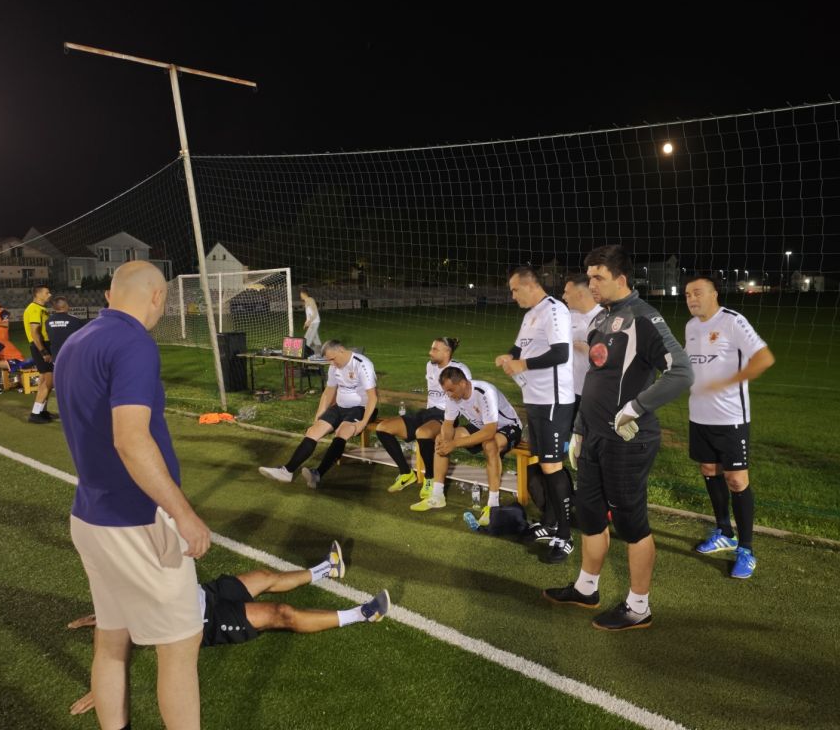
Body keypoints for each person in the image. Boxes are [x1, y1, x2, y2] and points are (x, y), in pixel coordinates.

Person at [55, 260, 212, 730]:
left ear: (110, 294)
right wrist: (183, 513)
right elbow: (130, 439)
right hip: (138, 520)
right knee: (179, 645)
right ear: (158, 297)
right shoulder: (133, 342)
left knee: (111, 638)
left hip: (90, 515)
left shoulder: (75, 341)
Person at [544, 245, 692, 631]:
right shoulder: (602, 319)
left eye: (599, 278)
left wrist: (636, 407)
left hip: (627, 441)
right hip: (593, 438)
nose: (591, 284)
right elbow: (595, 378)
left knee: (630, 525)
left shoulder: (643, 318)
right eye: (589, 276)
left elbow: (682, 371)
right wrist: (579, 429)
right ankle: (586, 588)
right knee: (590, 516)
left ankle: (639, 606)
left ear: (621, 279)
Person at [66, 542, 391, 716]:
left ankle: (326, 569)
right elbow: (113, 639)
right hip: (200, 622)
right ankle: (363, 614)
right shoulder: (117, 568)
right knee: (281, 613)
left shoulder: (141, 538)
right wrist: (104, 688)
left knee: (264, 576)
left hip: (203, 593)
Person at [684, 275, 775, 580]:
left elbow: (764, 358)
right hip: (699, 416)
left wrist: (728, 382)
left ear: (714, 294)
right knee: (709, 470)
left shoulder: (733, 321)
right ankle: (725, 532)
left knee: (736, 480)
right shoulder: (691, 327)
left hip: (731, 418)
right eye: (687, 294)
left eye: (697, 293)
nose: (691, 299)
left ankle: (746, 550)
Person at [495, 266, 577, 563]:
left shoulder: (555, 310)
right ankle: (551, 522)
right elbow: (518, 349)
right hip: (534, 399)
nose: (513, 295)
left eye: (515, 289)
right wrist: (509, 356)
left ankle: (565, 536)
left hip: (554, 400)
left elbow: (561, 353)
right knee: (545, 464)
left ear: (531, 286)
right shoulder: (530, 315)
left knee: (553, 466)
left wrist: (523, 365)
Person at [259, 340, 378, 488]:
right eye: (329, 361)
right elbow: (328, 392)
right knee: (313, 431)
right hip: (340, 407)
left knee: (342, 432)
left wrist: (363, 422)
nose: (332, 363)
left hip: (361, 408)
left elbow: (373, 397)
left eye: (333, 359)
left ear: (341, 350)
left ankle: (318, 474)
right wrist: (318, 416)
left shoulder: (362, 364)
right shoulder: (333, 366)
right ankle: (287, 471)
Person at [411, 367, 522, 519]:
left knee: (490, 446)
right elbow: (448, 423)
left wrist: (454, 444)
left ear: (463, 383)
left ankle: (493, 505)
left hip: (507, 427)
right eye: (446, 391)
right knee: (441, 439)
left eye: (451, 390)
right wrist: (446, 440)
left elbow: (490, 431)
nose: (448, 394)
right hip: (480, 426)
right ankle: (437, 496)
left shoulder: (485, 392)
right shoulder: (452, 396)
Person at [375, 337, 471, 496]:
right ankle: (406, 473)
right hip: (427, 413)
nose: (430, 352)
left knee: (423, 433)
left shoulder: (460, 370)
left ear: (447, 352)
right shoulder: (430, 365)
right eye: (431, 348)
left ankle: (430, 478)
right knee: (382, 428)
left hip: (447, 415)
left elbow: (467, 395)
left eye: (435, 349)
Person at [562, 273, 604, 417]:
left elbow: (616, 356)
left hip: (594, 393)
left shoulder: (605, 318)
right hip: (568, 390)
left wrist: (589, 350)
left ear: (579, 294)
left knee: (589, 429)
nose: (563, 296)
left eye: (567, 292)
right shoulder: (568, 316)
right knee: (567, 428)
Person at [23, 285, 55, 424]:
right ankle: (35, 414)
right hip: (40, 346)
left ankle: (41, 411)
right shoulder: (34, 309)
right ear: (38, 294)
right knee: (48, 382)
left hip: (43, 345)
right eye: (47, 293)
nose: (50, 295)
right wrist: (43, 351)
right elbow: (34, 333)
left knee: (44, 381)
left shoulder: (41, 308)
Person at [0, 297, 24, 362]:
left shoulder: (3, 312)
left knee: (5, 357)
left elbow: (6, 324)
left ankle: (20, 363)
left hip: (2, 339)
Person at [300, 287, 321, 357]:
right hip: (312, 322)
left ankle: (305, 354)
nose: (300, 295)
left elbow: (315, 313)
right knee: (316, 339)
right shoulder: (306, 302)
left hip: (314, 322)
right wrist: (306, 323)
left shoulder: (311, 300)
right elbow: (308, 314)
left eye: (301, 294)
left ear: (304, 294)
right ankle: (319, 354)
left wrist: (309, 322)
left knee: (307, 338)